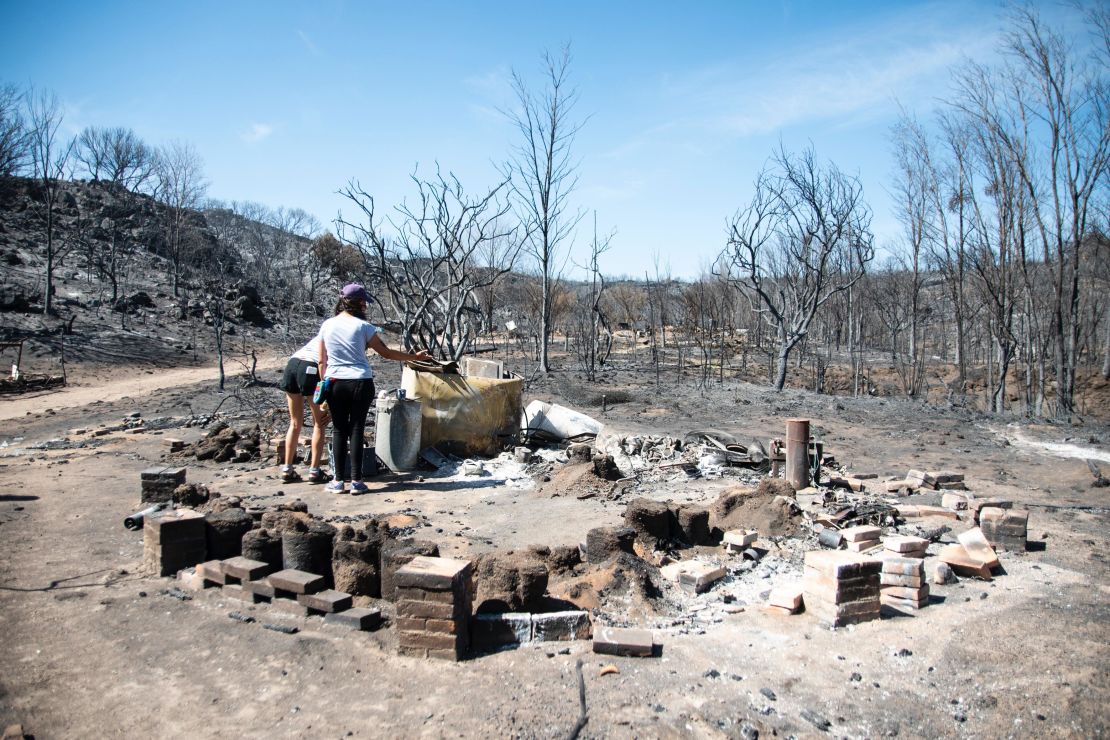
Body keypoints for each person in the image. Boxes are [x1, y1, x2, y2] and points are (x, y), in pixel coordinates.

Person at [318, 283, 430, 494]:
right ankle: (357, 482)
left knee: (339, 430)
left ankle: (338, 481)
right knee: (357, 429)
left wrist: (324, 386)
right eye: (364, 303)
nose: (366, 307)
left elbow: (321, 361)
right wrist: (414, 357)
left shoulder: (327, 325)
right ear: (360, 303)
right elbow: (386, 353)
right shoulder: (364, 328)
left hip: (334, 383)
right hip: (360, 382)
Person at [278, 333, 331, 483]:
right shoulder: (341, 338)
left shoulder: (326, 331)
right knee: (319, 423)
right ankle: (314, 471)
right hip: (312, 367)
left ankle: (287, 469)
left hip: (293, 365)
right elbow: (324, 364)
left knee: (294, 422)